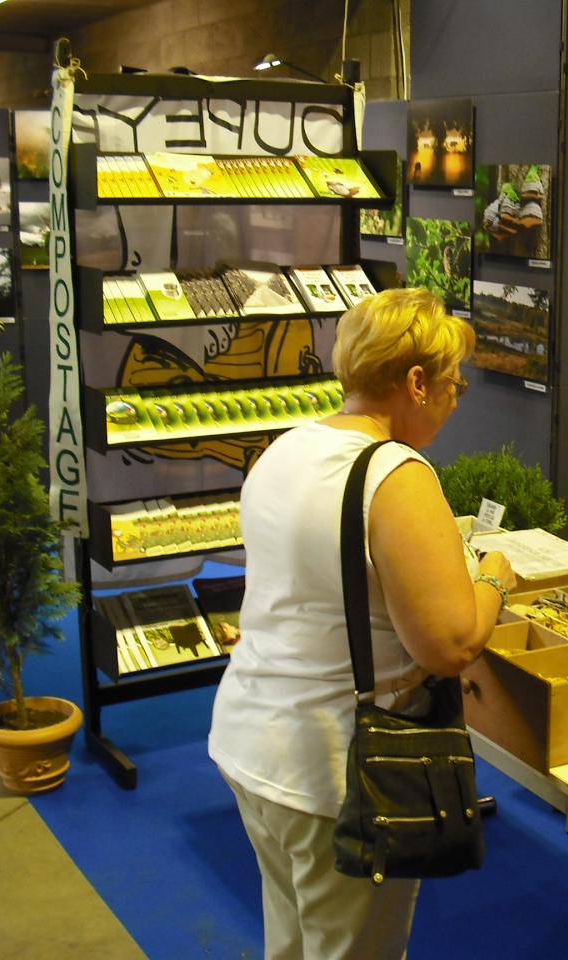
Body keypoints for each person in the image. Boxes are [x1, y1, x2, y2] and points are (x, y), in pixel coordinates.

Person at [209, 288, 517, 960]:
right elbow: (451, 644)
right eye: (452, 383)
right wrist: (493, 577)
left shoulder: (284, 449)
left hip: (251, 738)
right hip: (334, 770)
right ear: (415, 382)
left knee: (290, 938)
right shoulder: (395, 474)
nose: (455, 398)